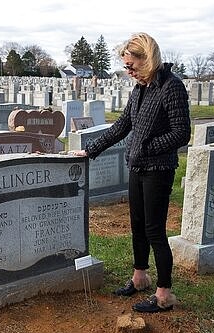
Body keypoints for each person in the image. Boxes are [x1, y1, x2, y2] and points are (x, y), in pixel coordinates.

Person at [71, 32, 191, 313]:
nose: (128, 71)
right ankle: (140, 277)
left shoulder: (171, 87)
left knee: (155, 231)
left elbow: (182, 133)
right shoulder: (140, 89)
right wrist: (90, 150)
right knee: (137, 225)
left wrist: (148, 146)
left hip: (159, 169)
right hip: (137, 167)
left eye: (131, 65)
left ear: (146, 58)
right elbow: (122, 125)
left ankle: (164, 295)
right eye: (126, 66)